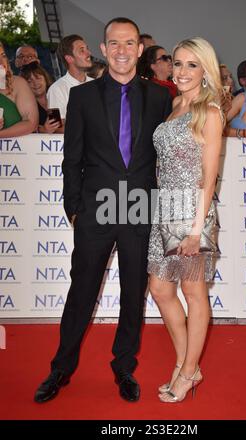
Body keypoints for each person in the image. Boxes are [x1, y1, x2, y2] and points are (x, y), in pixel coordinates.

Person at [34, 17, 172, 404]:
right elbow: (71, 158)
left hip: (140, 209)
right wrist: (74, 209)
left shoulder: (160, 97)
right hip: (94, 211)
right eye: (115, 43)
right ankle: (60, 367)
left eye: (129, 43)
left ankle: (124, 366)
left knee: (133, 294)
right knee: (81, 292)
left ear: (139, 49)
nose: (122, 50)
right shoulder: (82, 97)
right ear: (104, 47)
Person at [147, 37, 223, 402]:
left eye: (192, 64)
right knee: (161, 290)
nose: (182, 71)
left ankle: (189, 371)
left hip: (193, 211)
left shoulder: (209, 112)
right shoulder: (175, 105)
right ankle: (185, 363)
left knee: (193, 293)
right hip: (163, 210)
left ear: (205, 69)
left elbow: (209, 178)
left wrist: (196, 229)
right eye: (177, 63)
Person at [46, 34, 93, 132]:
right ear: (69, 58)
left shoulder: (96, 84)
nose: (89, 53)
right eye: (82, 50)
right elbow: (56, 128)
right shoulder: (55, 89)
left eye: (87, 49)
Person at [0, 42, 38, 137]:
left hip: (18, 150)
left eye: (3, 55)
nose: (1, 61)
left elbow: (32, 123)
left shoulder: (18, 83)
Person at [19, 61, 61, 134]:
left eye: (38, 78)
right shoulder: (24, 106)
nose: (35, 83)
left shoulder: (58, 95)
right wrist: (43, 130)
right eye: (29, 81)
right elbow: (23, 129)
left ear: (45, 78)